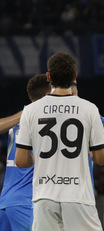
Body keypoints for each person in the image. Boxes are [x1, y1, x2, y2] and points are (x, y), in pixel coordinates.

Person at [15, 52, 104, 230]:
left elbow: (20, 160)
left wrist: (40, 157)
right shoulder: (89, 109)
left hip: (44, 196)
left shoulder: (30, 111)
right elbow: (101, 159)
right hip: (78, 196)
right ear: (74, 77)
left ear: (48, 77)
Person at [0, 74, 51, 231]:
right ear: (47, 96)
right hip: (27, 202)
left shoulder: (20, 117)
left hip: (5, 202)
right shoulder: (47, 121)